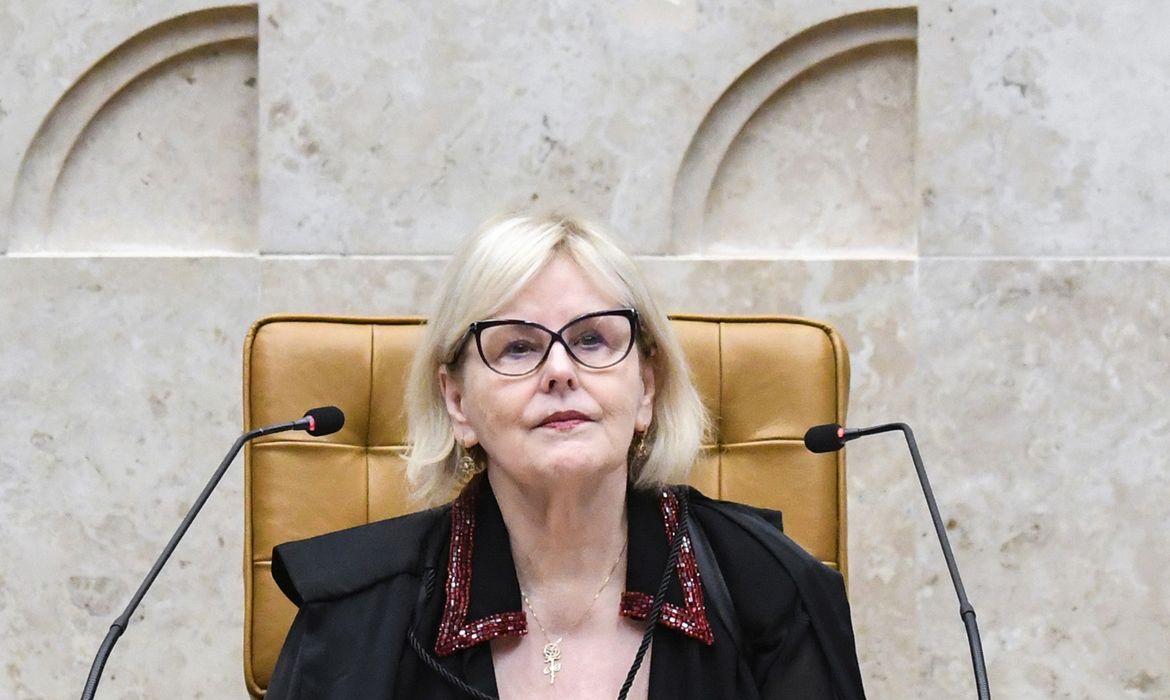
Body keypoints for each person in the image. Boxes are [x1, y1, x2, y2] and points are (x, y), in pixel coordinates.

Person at [264, 212, 867, 699]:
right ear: (457, 403)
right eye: (519, 347)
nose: (560, 371)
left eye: (591, 339)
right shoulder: (357, 613)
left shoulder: (769, 585)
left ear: (646, 389)